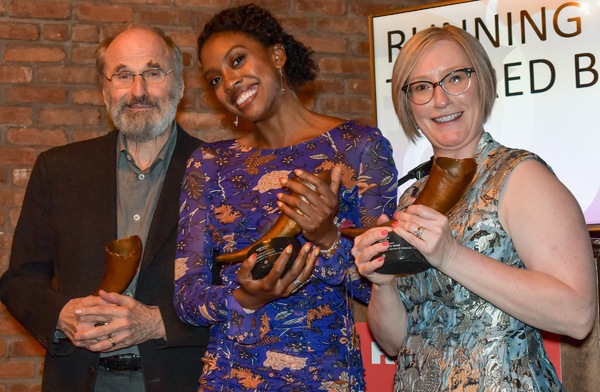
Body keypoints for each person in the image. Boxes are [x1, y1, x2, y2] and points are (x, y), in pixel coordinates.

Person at [351, 25, 597, 391]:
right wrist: (382, 285)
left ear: (481, 81)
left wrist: (450, 255)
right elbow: (396, 343)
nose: (440, 100)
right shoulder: (412, 197)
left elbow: (576, 316)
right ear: (408, 104)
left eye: (455, 78)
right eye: (422, 87)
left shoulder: (521, 176)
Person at [173, 4, 398, 391]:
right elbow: (186, 297)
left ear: (277, 55)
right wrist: (244, 297)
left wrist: (327, 238)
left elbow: (383, 285)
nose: (229, 82)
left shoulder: (358, 146)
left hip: (325, 376)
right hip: (230, 376)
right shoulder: (209, 164)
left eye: (237, 60)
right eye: (214, 79)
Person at [0, 26, 209, 392]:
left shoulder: (219, 171)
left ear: (180, 86)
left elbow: (242, 292)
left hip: (184, 379)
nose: (138, 90)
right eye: (123, 75)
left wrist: (159, 322)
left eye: (153, 72)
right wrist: (60, 315)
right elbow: (20, 280)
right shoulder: (59, 169)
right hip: (78, 379)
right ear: (104, 90)